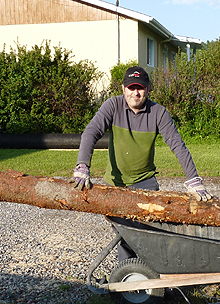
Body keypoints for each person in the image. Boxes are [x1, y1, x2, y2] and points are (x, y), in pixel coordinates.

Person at [70, 65, 212, 260]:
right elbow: (91, 132)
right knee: (126, 233)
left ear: (148, 89)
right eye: (131, 87)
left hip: (145, 182)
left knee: (149, 230)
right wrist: (82, 165)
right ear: (123, 88)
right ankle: (130, 276)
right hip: (116, 183)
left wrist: (193, 179)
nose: (135, 93)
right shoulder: (112, 106)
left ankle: (147, 272)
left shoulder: (158, 113)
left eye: (140, 88)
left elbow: (177, 145)